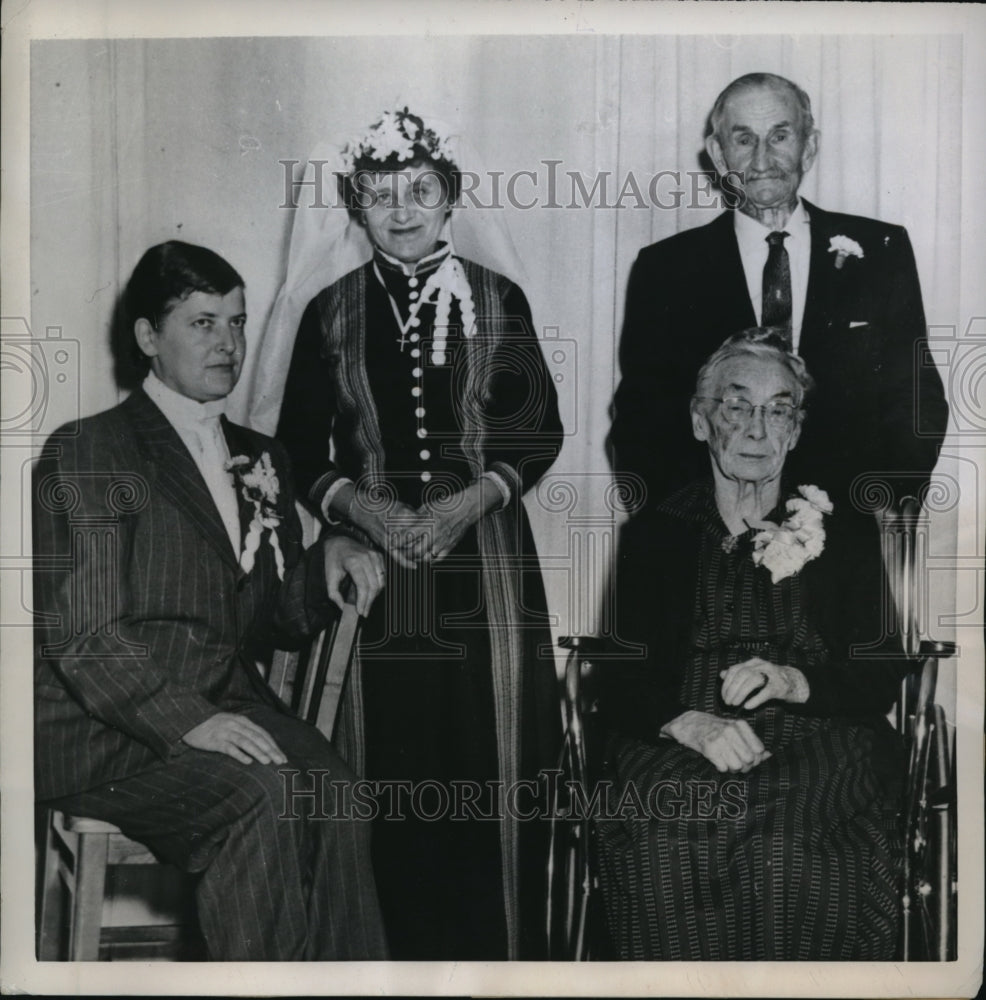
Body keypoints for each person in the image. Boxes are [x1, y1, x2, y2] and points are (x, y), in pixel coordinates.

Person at [33, 241, 389, 961]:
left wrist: (330, 554)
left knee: (340, 795)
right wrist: (191, 721)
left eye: (237, 322)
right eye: (203, 324)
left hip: (227, 704)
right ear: (146, 338)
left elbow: (270, 622)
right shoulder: (90, 450)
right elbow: (88, 639)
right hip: (107, 732)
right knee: (264, 801)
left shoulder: (263, 458)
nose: (228, 344)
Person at [271, 109, 564, 960]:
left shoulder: (499, 299)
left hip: (487, 568)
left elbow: (538, 433)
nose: (402, 209)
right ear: (356, 207)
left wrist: (462, 507)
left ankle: (502, 963)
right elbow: (294, 446)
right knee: (384, 771)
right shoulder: (330, 310)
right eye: (380, 194)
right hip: (373, 571)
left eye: (420, 191)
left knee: (490, 764)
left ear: (451, 199)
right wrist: (365, 512)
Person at [597, 329, 908, 960]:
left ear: (796, 431)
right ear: (700, 421)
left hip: (818, 740)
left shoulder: (841, 534)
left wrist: (796, 682)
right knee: (668, 835)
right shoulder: (657, 535)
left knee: (787, 847)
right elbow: (616, 677)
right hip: (683, 737)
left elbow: (882, 665)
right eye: (737, 407)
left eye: (779, 411)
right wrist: (688, 722)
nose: (758, 430)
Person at [611, 72, 948, 518]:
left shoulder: (881, 251)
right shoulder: (666, 268)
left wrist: (893, 500)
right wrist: (684, 521)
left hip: (850, 527)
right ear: (718, 153)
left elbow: (915, 393)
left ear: (809, 145)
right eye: (744, 139)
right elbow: (642, 413)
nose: (762, 159)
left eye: (780, 136)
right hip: (712, 537)